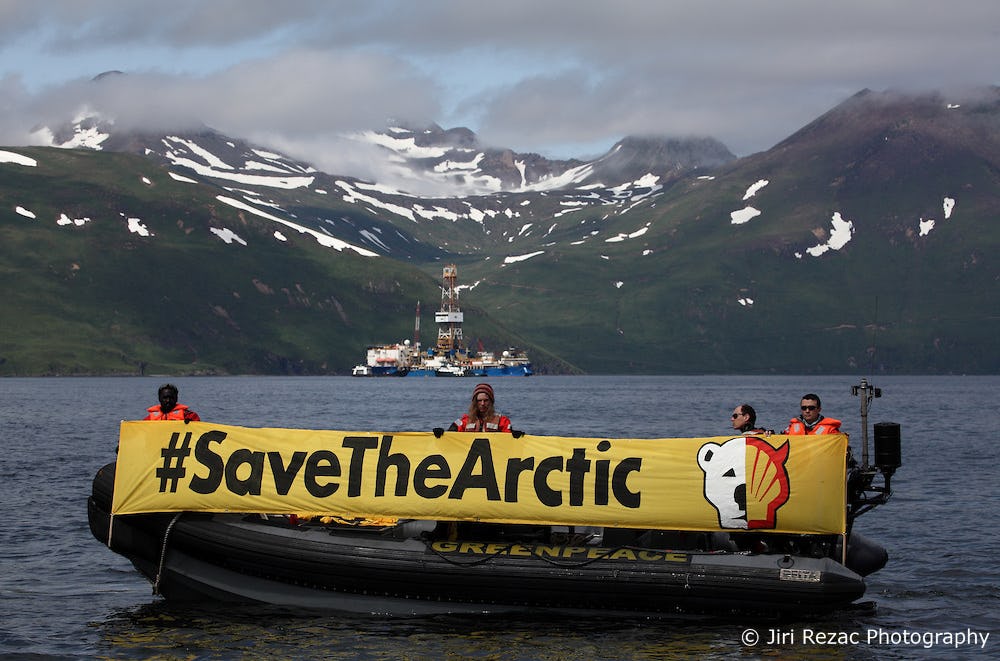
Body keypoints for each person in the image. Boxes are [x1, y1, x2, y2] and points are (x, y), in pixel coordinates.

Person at [447, 382, 513, 433]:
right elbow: (449, 434)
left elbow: (510, 438)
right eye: (479, 400)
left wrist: (516, 435)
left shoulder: (503, 421)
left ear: (491, 402)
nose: (482, 404)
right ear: (475, 402)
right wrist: (439, 433)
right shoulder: (464, 420)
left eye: (486, 400)